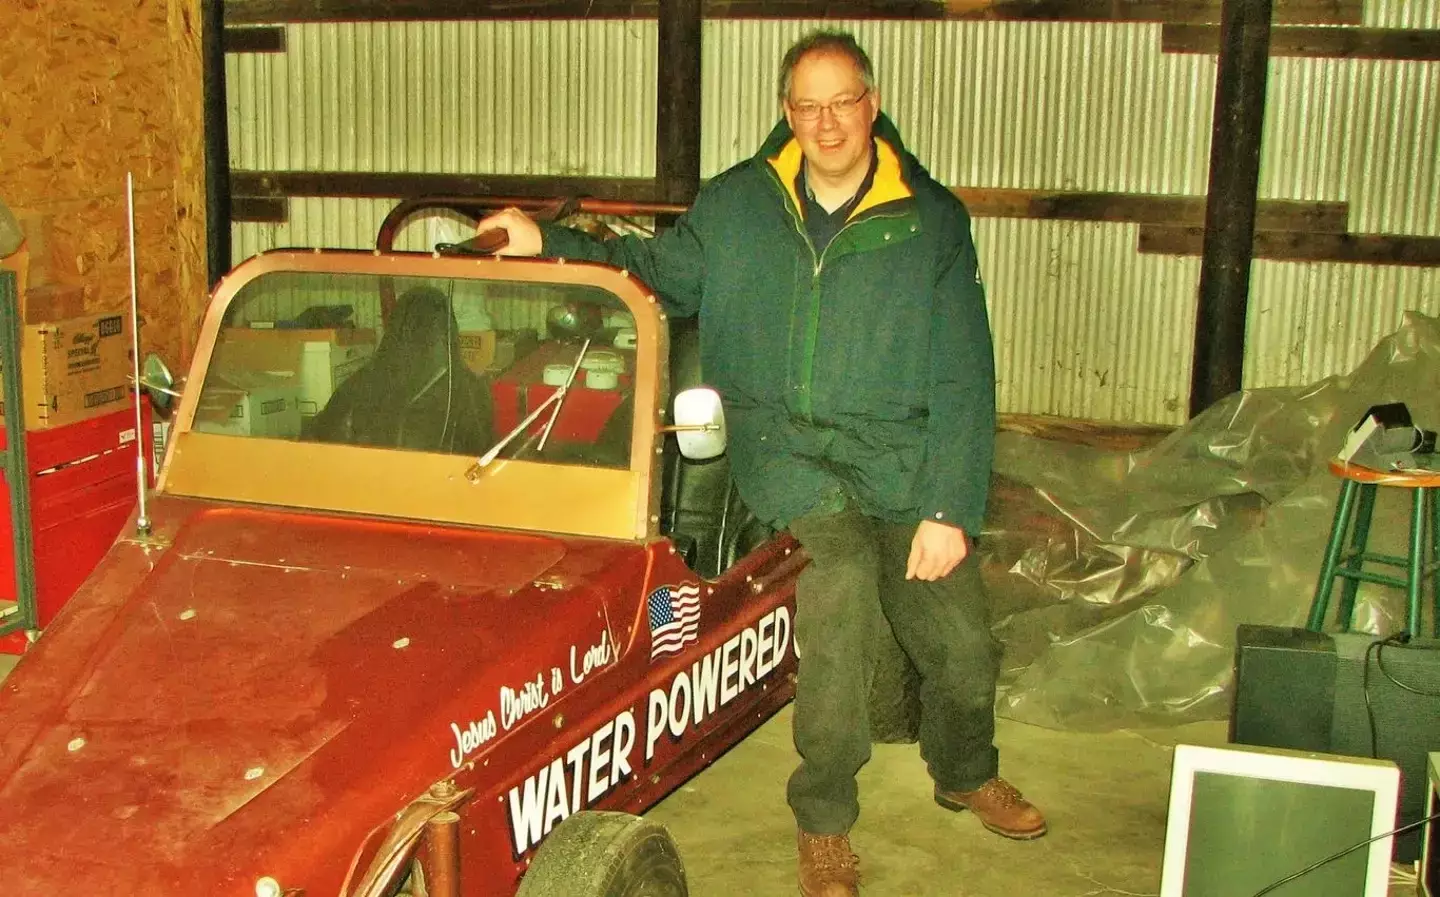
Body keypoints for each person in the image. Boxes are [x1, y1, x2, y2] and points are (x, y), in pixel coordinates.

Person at [476, 30, 1045, 897]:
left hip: (901, 457)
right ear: (787, 111)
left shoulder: (930, 220)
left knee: (964, 646)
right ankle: (825, 820)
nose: (827, 123)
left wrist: (948, 507)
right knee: (842, 598)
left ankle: (966, 769)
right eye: (808, 106)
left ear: (872, 104)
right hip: (787, 452)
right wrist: (546, 239)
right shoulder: (739, 204)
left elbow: (967, 373)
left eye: (842, 102)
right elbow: (653, 270)